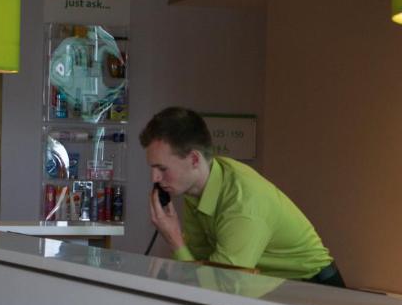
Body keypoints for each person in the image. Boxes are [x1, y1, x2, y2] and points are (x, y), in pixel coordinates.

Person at [140, 106, 345, 286]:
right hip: (270, 286)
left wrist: (174, 239)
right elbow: (200, 268)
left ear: (194, 159)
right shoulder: (196, 191)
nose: (155, 178)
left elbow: (221, 289)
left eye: (162, 168)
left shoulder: (243, 204)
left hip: (312, 287)